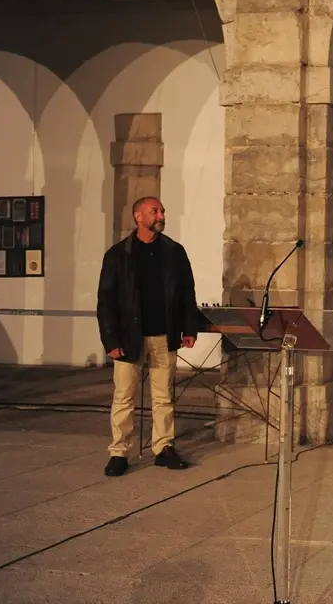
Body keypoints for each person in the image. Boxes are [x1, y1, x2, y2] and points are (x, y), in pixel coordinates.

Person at [96, 196, 199, 476]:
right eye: (155, 211)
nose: (161, 214)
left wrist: (189, 328)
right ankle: (119, 452)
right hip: (130, 337)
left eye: (162, 210)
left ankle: (163, 448)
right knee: (124, 397)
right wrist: (111, 341)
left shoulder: (174, 252)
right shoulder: (118, 255)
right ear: (138, 217)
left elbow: (187, 293)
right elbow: (106, 301)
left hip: (164, 335)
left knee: (164, 396)